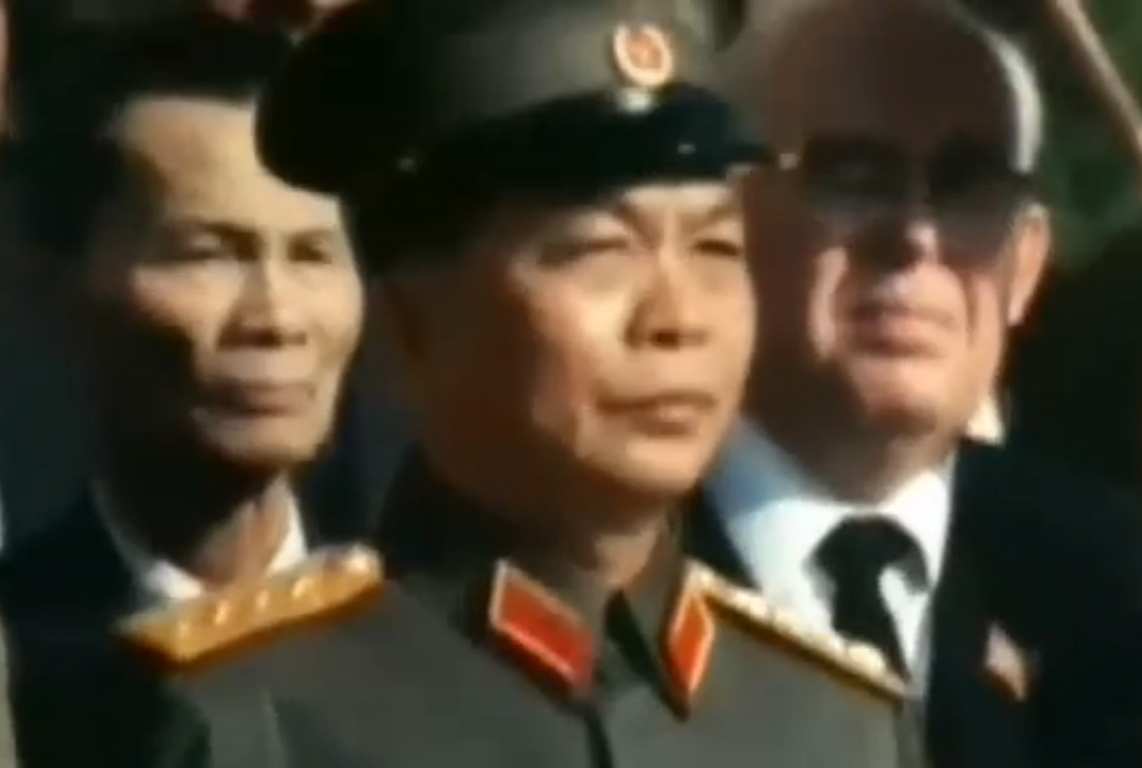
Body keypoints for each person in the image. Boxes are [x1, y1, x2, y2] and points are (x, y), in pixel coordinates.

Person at [89, 1, 925, 766]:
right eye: (598, 250)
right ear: (408, 323)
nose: (677, 318)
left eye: (717, 250)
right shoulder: (251, 714)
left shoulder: (837, 723)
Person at [690, 0, 1142, 766]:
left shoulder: (1113, 586)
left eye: (970, 188)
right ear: (725, 221)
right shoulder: (598, 558)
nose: (915, 237)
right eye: (854, 176)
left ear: (1026, 266)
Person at [0, 14, 365, 765]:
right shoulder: (20, 660)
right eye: (207, 255)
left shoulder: (442, 652)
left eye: (312, 255)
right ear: (53, 287)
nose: (276, 319)